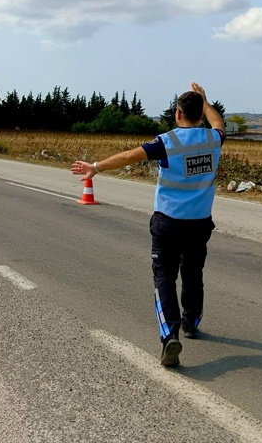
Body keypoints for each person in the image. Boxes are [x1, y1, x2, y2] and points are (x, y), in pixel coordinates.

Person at [70, 83, 225, 367]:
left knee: (164, 276)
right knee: (193, 273)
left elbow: (130, 155)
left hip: (168, 221)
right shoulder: (213, 139)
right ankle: (191, 323)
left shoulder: (168, 142)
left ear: (177, 114)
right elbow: (218, 121)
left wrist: (96, 167)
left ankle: (170, 335)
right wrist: (205, 101)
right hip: (200, 222)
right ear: (199, 114)